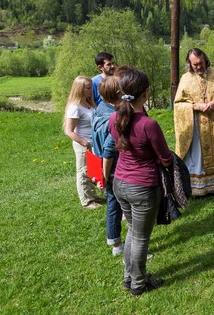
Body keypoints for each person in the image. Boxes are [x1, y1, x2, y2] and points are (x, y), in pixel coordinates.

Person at [109, 69, 173, 296]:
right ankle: (138, 283)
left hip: (120, 183)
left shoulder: (114, 118)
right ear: (145, 93)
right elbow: (166, 159)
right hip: (143, 187)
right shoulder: (148, 124)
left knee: (132, 233)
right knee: (140, 238)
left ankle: (129, 278)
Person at [174, 48, 214, 196]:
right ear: (190, 64)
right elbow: (178, 104)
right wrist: (196, 106)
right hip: (196, 124)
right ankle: (199, 188)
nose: (199, 67)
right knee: (198, 156)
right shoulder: (185, 78)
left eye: (201, 63)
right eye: (195, 64)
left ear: (205, 60)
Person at [91, 76, 124, 256]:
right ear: (119, 93)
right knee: (120, 205)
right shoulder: (115, 117)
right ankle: (120, 245)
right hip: (114, 168)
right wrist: (105, 174)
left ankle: (114, 241)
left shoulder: (100, 109)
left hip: (104, 166)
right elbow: (109, 148)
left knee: (113, 204)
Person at [64, 76, 102, 210]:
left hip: (93, 143)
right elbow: (69, 131)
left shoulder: (88, 103)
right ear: (80, 89)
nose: (91, 90)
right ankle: (86, 200)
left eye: (91, 87)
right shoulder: (75, 107)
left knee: (93, 170)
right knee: (83, 171)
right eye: (88, 88)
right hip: (83, 144)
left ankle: (93, 196)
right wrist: (84, 142)